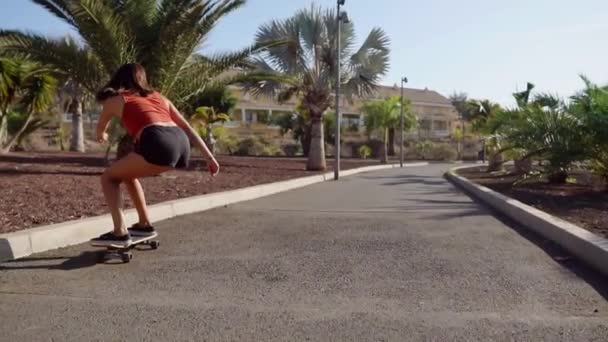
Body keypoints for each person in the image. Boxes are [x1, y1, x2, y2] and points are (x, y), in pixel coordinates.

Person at [92, 63, 220, 247]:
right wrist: (210, 157)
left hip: (157, 140)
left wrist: (101, 135)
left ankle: (119, 232)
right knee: (127, 175)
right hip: (181, 143)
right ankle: (144, 224)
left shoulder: (115, 100)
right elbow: (187, 127)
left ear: (118, 79)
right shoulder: (160, 98)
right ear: (142, 79)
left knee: (108, 178)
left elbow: (100, 129)